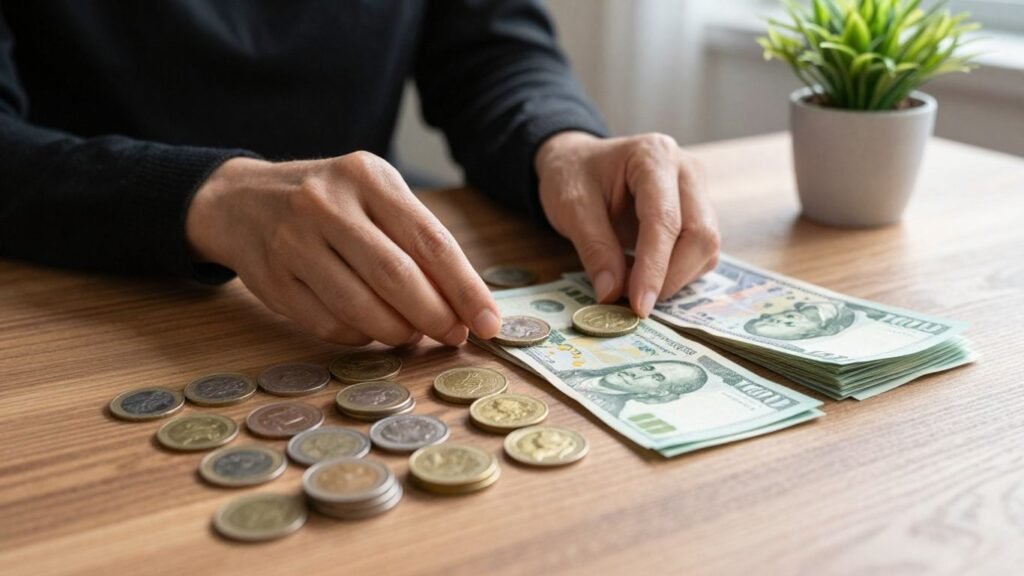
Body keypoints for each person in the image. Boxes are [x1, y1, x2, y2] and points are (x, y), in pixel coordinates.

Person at [0, 1, 719, 348]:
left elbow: (491, 48)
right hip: (75, 306)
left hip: (368, 295)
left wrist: (560, 143)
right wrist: (209, 195)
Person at [563, 361, 708, 417]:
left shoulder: (605, 409)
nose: (636, 373)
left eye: (657, 378)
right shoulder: (574, 371)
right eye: (647, 368)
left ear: (659, 392)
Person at [744, 301, 856, 341]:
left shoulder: (802, 307)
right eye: (789, 324)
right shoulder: (829, 321)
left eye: (773, 319)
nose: (784, 318)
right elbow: (847, 314)